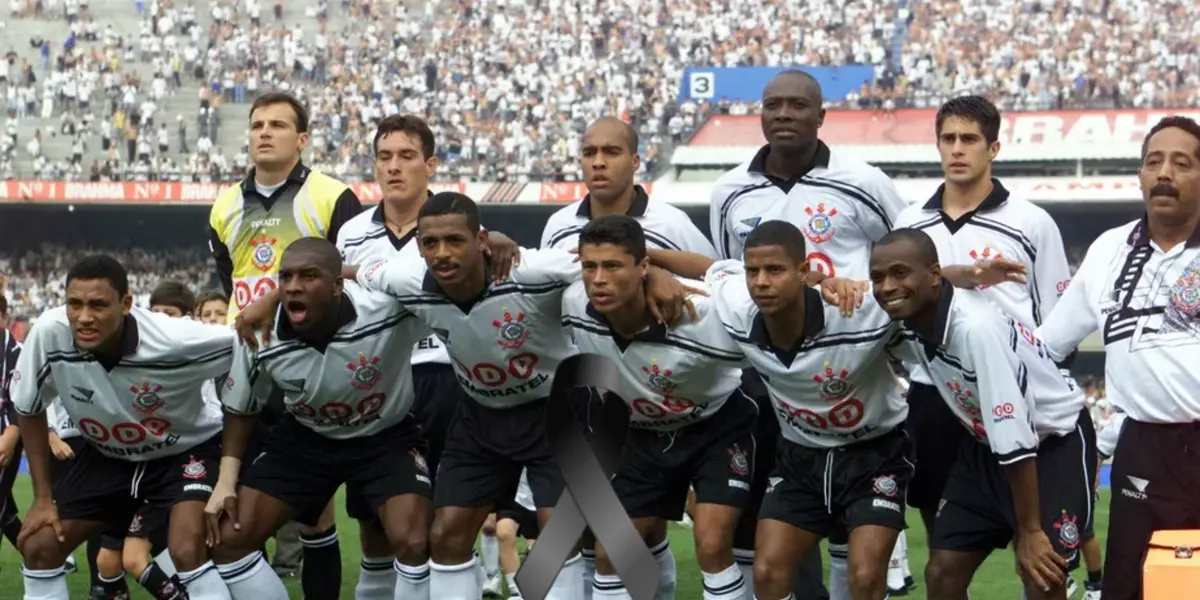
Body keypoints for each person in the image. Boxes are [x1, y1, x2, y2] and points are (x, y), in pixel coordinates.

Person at [341, 192, 691, 599]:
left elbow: (605, 266)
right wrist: (275, 297)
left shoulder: (532, 270)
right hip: (479, 417)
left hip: (557, 415)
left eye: (455, 240)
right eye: (430, 243)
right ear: (418, 246)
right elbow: (342, 272)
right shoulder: (403, 278)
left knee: (560, 536)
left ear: (482, 240)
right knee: (447, 533)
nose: (442, 253)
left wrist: (657, 273)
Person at [708, 69, 907, 600]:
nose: (784, 115)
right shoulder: (730, 191)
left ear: (822, 117)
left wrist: (857, 293)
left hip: (854, 358)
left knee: (855, 550)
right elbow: (727, 269)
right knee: (775, 546)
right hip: (776, 376)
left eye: (798, 105)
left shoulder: (863, 182)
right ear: (760, 114)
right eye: (773, 105)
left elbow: (906, 258)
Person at [892, 95, 1074, 595]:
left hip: (1014, 392)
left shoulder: (1031, 222)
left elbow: (1055, 324)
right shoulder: (910, 223)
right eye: (948, 138)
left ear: (993, 147)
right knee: (944, 550)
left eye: (969, 139)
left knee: (1035, 551)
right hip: (935, 395)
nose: (957, 149)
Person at [336, 114, 518, 600]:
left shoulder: (459, 225)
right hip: (380, 391)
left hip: (452, 384)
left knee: (451, 527)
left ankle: (476, 583)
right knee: (379, 533)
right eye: (384, 157)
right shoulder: (351, 234)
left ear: (430, 163)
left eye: (407, 156)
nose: (394, 167)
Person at [541, 116, 717, 600]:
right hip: (592, 391)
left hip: (662, 392)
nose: (598, 161)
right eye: (589, 151)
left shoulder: (670, 223)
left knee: (632, 528)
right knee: (594, 527)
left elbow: (707, 289)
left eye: (612, 152)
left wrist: (656, 266)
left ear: (635, 161)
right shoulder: (559, 226)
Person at [869, 229, 1094, 600]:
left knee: (1043, 575)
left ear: (933, 276)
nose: (887, 287)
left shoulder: (976, 330)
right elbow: (868, 290)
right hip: (984, 447)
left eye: (899, 273)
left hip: (1051, 445)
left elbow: (1016, 436)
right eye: (878, 277)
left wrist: (1031, 531)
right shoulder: (907, 308)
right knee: (942, 573)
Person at [206, 237, 435, 600]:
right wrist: (226, 481)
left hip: (385, 436)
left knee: (414, 540)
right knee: (228, 538)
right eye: (286, 278)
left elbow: (444, 277)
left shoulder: (386, 309)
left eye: (309, 276)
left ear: (336, 286)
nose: (294, 286)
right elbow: (241, 407)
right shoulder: (258, 332)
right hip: (305, 440)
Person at [1034, 116, 1200, 600]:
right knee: (1129, 587)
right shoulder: (1109, 249)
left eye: (1182, 163)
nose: (1164, 172)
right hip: (1142, 445)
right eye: (1153, 161)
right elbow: (1050, 345)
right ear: (1141, 174)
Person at [207, 90, 362, 597]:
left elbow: (347, 279)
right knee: (237, 508)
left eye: (277, 125)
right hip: (247, 365)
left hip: (310, 368)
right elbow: (232, 284)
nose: (264, 133)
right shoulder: (224, 206)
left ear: (302, 138)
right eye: (257, 125)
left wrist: (276, 301)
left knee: (316, 516)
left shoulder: (332, 197)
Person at [10, 255, 236, 600]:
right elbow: (28, 406)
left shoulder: (177, 340)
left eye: (98, 305)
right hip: (108, 455)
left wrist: (231, 471)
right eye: (75, 304)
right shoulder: (49, 333)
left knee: (187, 547)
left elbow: (245, 347)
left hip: (183, 453)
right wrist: (43, 497)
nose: (84, 317)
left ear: (126, 303)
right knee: (40, 544)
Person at [562, 215, 751, 600]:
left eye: (612, 266)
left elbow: (743, 279)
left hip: (715, 427)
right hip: (640, 434)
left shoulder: (705, 315)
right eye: (589, 266)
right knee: (611, 553)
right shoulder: (570, 303)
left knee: (712, 545)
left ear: (643, 267)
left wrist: (824, 283)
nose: (598, 279)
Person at [93, 280, 207, 600]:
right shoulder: (135, 359)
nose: (159, 321)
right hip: (130, 471)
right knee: (109, 560)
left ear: (188, 317)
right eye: (154, 313)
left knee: (137, 557)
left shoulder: (198, 357)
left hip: (172, 470)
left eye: (168, 314)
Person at [494, 469, 539, 600]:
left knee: (539, 546)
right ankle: (516, 592)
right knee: (504, 532)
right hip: (514, 491)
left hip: (543, 488)